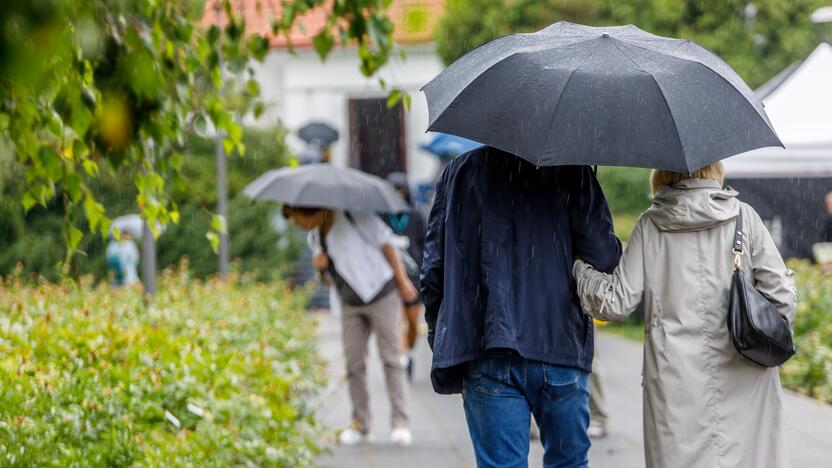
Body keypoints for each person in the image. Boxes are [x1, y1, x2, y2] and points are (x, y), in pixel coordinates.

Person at [573, 162, 797, 468]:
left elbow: (616, 302)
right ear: (715, 169)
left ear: (661, 173)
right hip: (745, 374)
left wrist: (580, 271)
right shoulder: (745, 218)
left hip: (674, 383)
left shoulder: (651, 226)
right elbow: (782, 297)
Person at [421, 147, 622, 467]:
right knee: (569, 463)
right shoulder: (571, 169)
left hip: (486, 341)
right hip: (559, 341)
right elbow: (605, 257)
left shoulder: (460, 172)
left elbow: (433, 270)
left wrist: (442, 335)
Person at [282, 205, 417, 447]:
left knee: (391, 358)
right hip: (349, 303)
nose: (298, 225)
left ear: (311, 211)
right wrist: (321, 268)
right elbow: (329, 280)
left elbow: (387, 244)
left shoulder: (355, 215)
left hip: (381, 293)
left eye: (298, 218)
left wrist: (403, 280)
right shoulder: (316, 237)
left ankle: (400, 423)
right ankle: (360, 425)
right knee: (354, 363)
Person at [384, 172, 427, 381]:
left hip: (414, 273)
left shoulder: (416, 216)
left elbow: (427, 243)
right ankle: (401, 358)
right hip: (390, 275)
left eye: (402, 192)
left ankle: (408, 353)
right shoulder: (382, 217)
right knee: (396, 321)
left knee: (412, 321)